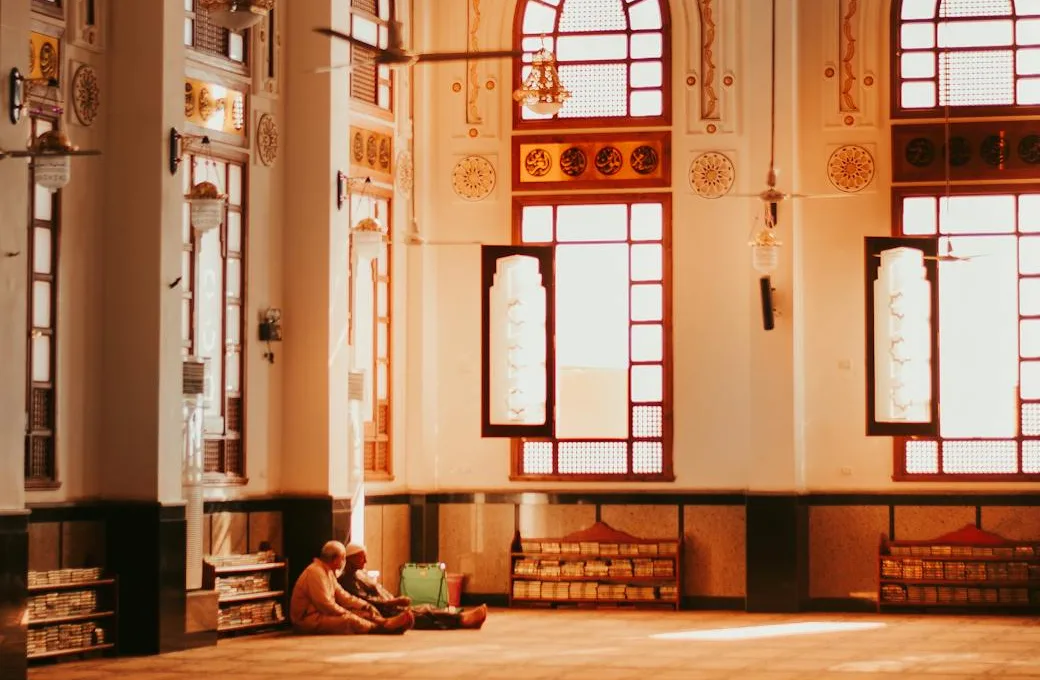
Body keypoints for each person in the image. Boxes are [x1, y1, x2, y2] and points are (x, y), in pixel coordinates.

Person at [337, 542, 488, 630]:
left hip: (391, 606)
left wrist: (394, 600)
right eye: (362, 557)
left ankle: (460, 618)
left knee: (426, 608)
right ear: (351, 558)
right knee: (423, 616)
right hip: (385, 611)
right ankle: (462, 620)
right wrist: (394, 602)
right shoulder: (347, 580)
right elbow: (366, 601)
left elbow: (379, 591)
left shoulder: (360, 574)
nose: (366, 560)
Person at [289, 540, 415, 635]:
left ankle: (385, 623)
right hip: (307, 620)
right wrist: (347, 612)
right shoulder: (315, 572)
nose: (344, 561)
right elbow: (325, 605)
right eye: (343, 558)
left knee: (362, 612)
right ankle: (383, 628)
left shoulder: (327, 572)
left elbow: (343, 596)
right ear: (334, 559)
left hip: (320, 614)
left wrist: (364, 605)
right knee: (350, 620)